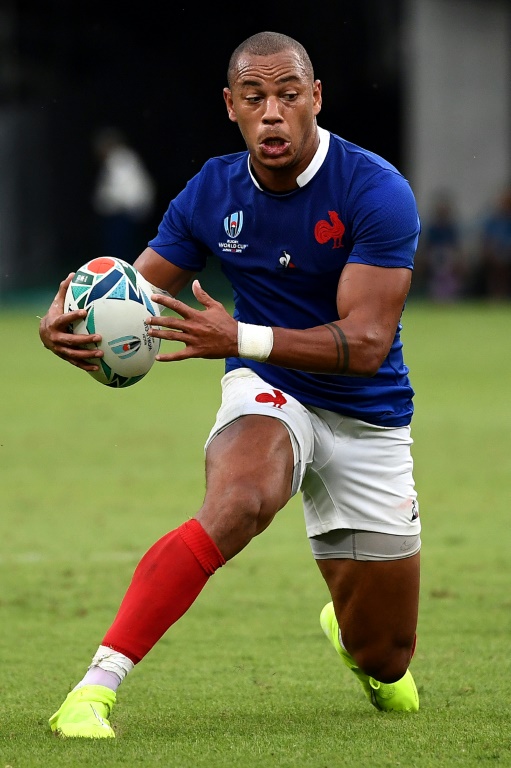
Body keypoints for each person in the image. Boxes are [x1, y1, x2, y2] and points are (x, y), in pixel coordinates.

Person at [40, 31, 422, 739]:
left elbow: (367, 344)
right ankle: (94, 689)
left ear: (315, 98)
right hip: (270, 389)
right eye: (254, 98)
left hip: (367, 414)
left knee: (387, 656)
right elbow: (132, 292)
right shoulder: (212, 191)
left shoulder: (375, 190)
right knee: (240, 500)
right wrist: (69, 324)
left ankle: (352, 635)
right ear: (230, 106)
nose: (271, 112)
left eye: (287, 95)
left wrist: (237, 336)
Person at [91, 126, 156, 260]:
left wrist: (105, 203)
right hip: (126, 212)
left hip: (124, 213)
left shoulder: (120, 159)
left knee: (121, 249)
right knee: (122, 247)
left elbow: (122, 190)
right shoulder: (120, 159)